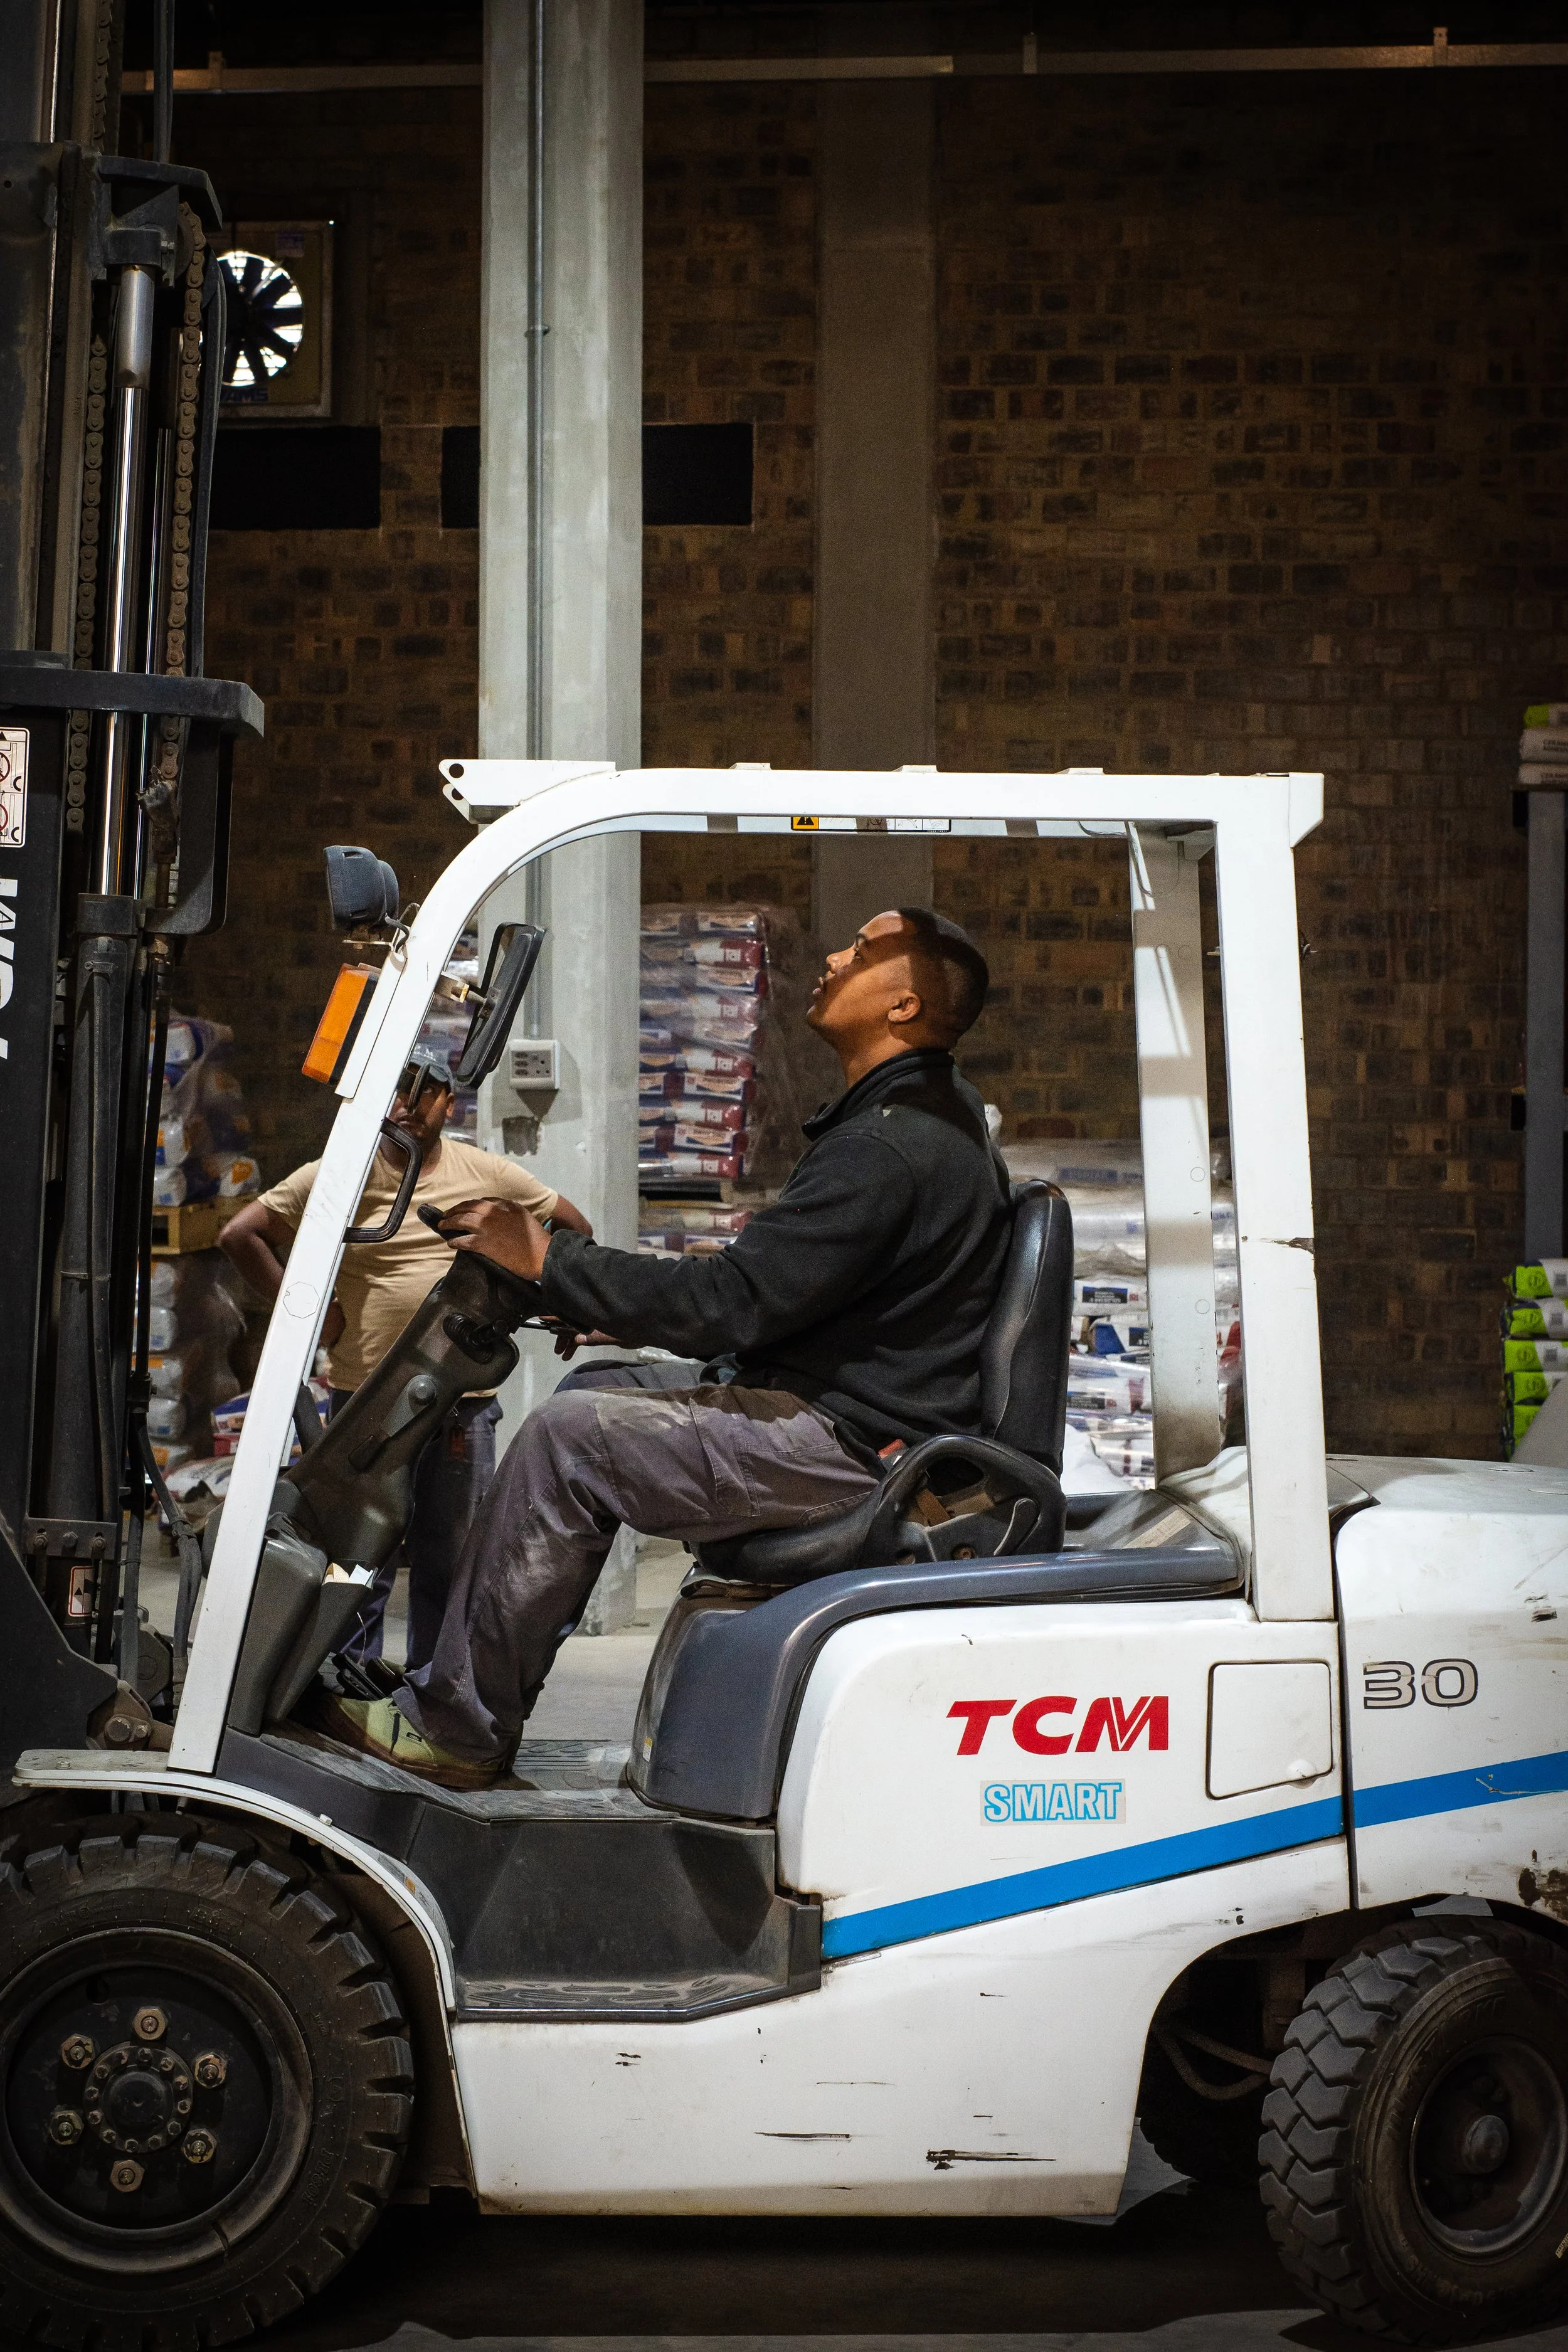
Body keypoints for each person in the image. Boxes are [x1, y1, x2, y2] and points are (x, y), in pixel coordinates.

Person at [317, 910, 1009, 1788]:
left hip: (853, 1446)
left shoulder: (888, 1145)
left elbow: (732, 1302)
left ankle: (459, 1726)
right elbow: (797, 1296)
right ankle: (452, 1684)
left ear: (904, 1003)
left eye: (863, 952)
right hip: (853, 1412)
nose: (835, 957)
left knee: (572, 1441)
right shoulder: (907, 1120)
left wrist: (544, 1256)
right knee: (601, 1385)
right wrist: (597, 1301)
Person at [221, 1046, 591, 1668]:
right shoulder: (339, 1175)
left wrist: (555, 1298)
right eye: (396, 1090)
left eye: (425, 1092)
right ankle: (348, 1682)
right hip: (367, 1398)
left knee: (450, 1560)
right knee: (357, 1558)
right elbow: (242, 1235)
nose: (407, 1105)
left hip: (458, 1403)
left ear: (449, 1102)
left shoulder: (487, 1174)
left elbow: (572, 1227)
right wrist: (317, 1313)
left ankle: (429, 1696)